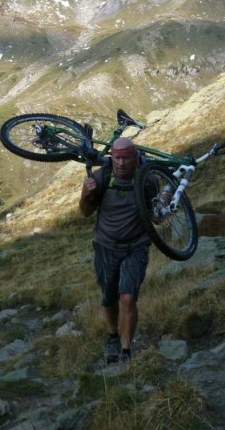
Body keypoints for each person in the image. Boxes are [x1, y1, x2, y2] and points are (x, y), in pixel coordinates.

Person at [78, 136, 150, 364]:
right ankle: (112, 337)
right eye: (117, 158)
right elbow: (85, 212)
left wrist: (164, 204)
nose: (121, 164)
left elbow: (155, 217)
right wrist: (85, 194)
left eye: (126, 159)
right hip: (106, 245)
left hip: (136, 246)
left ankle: (127, 350)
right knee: (109, 296)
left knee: (128, 297)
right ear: (112, 158)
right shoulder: (102, 177)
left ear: (136, 158)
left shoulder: (146, 179)